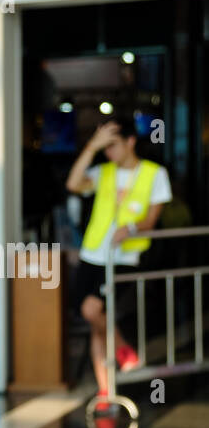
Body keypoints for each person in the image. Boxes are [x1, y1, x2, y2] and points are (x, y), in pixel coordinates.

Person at [65, 118, 171, 400]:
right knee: (97, 323)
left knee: (92, 311)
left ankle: (124, 353)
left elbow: (152, 219)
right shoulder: (103, 172)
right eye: (105, 147)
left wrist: (132, 228)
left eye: (112, 145)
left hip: (124, 257)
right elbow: (73, 184)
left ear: (130, 141)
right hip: (92, 254)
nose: (108, 152)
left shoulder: (155, 174)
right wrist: (91, 147)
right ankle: (106, 391)